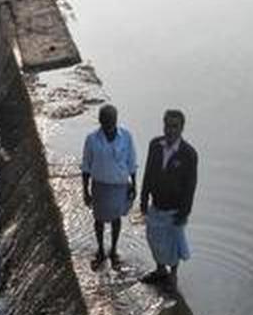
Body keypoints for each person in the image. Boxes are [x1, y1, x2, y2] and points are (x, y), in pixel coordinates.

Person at [139, 108, 198, 292]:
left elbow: (190, 186)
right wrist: (143, 198)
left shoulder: (188, 154)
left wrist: (185, 212)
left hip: (175, 209)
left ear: (181, 128)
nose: (170, 130)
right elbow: (148, 172)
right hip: (156, 204)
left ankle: (172, 275)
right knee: (153, 238)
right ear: (163, 125)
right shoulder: (155, 145)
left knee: (173, 245)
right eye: (167, 125)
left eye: (174, 126)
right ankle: (159, 270)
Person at [81, 104, 137, 269]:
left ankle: (113, 249)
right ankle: (100, 249)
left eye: (111, 120)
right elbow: (86, 166)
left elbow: (131, 162)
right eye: (105, 120)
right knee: (98, 219)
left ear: (116, 120)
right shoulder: (92, 139)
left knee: (116, 219)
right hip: (100, 185)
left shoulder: (125, 137)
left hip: (119, 186)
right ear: (100, 121)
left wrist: (134, 184)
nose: (108, 123)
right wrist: (85, 189)